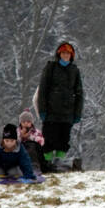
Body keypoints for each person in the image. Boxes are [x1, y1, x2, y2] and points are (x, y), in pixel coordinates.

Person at [37, 41, 84, 172]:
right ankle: (46, 164)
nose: (65, 55)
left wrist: (77, 113)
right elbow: (43, 90)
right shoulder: (50, 68)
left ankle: (58, 163)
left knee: (63, 141)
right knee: (49, 140)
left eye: (68, 53)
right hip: (51, 112)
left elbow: (79, 93)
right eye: (63, 53)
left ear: (71, 55)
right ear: (59, 54)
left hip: (68, 113)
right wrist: (42, 110)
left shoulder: (75, 71)